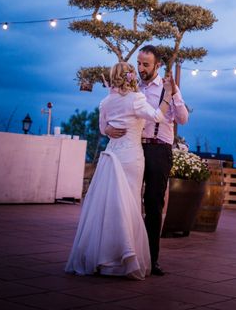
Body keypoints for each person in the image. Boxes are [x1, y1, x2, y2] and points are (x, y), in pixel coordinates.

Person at [65, 62, 172, 280]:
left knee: (109, 205)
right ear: (131, 78)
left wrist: (110, 130)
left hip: (111, 155)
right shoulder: (136, 99)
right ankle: (123, 257)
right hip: (131, 156)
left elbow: (103, 128)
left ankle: (103, 257)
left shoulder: (105, 101)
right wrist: (168, 95)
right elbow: (158, 116)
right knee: (129, 204)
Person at [104, 45, 188, 276]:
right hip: (132, 149)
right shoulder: (130, 87)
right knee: (126, 201)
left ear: (157, 65)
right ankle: (124, 254)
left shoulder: (167, 88)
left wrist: (175, 95)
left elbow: (183, 118)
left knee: (153, 204)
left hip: (159, 151)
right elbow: (111, 110)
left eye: (146, 65)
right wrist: (107, 129)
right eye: (139, 64)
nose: (140, 69)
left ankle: (151, 258)